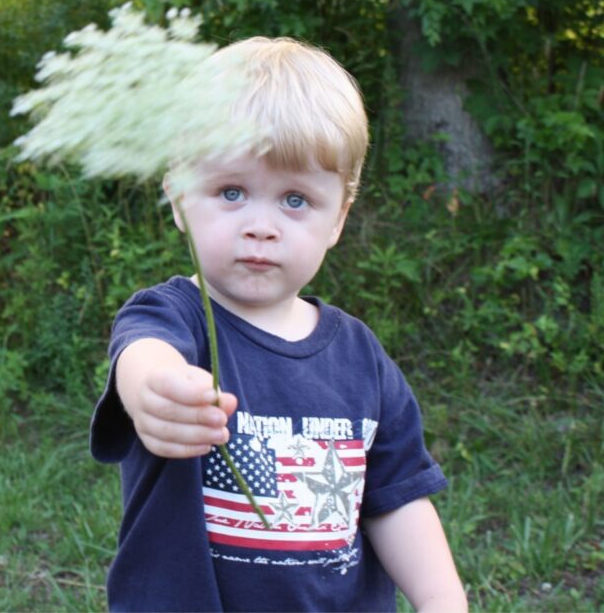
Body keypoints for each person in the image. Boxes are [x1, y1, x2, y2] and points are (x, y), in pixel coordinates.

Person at [90, 37, 467, 612]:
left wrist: (443, 600)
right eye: (232, 192)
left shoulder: (361, 357)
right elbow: (143, 358)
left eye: (295, 199)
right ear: (177, 196)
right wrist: (158, 392)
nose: (261, 225)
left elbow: (396, 498)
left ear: (338, 218)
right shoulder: (174, 317)